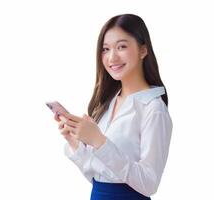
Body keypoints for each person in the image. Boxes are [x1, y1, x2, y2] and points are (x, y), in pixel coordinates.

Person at [53, 14, 172, 200]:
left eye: (122, 47)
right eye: (105, 49)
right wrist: (76, 142)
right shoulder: (107, 103)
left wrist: (99, 141)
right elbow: (99, 177)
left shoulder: (153, 109)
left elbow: (149, 184)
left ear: (143, 50)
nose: (112, 57)